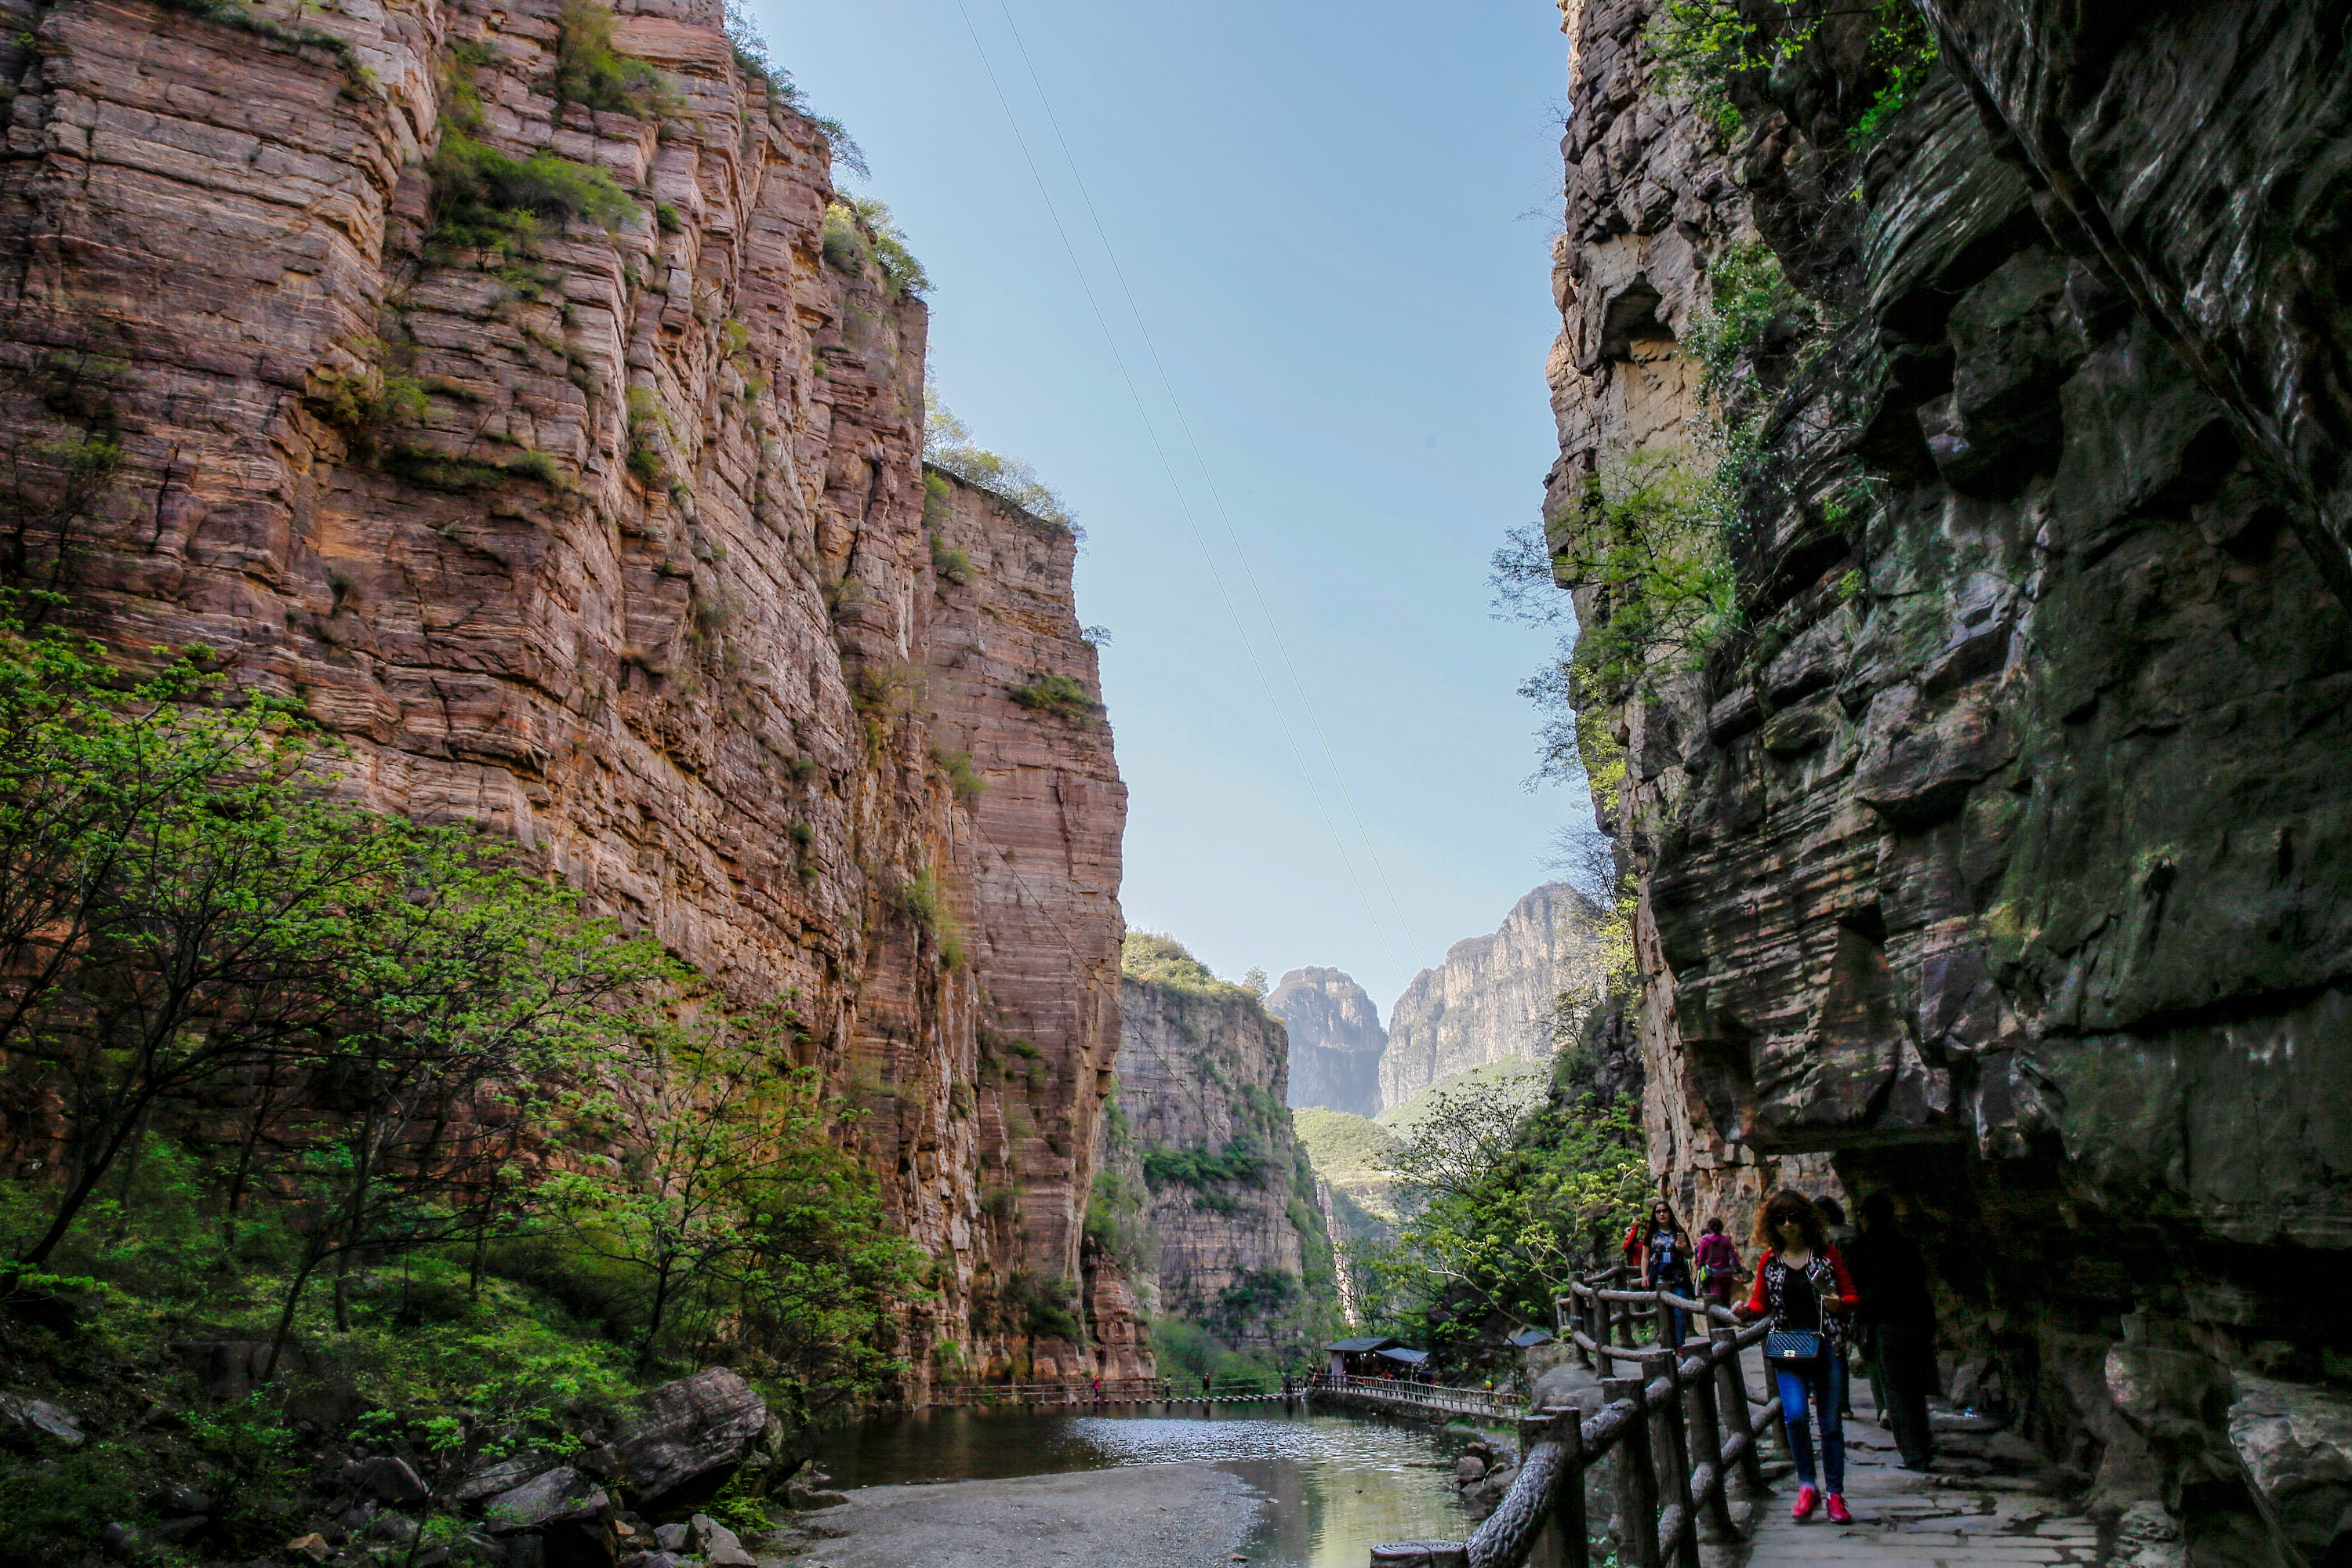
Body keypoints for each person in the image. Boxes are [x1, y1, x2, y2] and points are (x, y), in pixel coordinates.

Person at [1737, 1189, 1858, 1525]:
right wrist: (1746, 1311)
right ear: (1771, 1225)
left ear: (1806, 1219)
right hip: (1789, 1349)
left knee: (1831, 1425)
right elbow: (1761, 1302)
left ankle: (1835, 1494)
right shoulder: (1770, 1261)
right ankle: (1808, 1485)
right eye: (1780, 1219)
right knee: (1794, 1416)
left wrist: (1839, 1303)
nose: (1788, 1224)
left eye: (1793, 1217)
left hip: (1827, 1348)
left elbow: (1850, 1295)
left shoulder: (1827, 1255)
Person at [1844, 1192, 1937, 1471]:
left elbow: (1852, 1287)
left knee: (1895, 1390)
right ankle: (1924, 1444)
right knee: (1915, 1388)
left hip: (1883, 1324)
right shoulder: (1906, 1245)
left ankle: (1913, 1454)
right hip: (1915, 1321)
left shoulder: (1860, 1248)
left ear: (1865, 1217)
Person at [1814, 1196, 1860, 1417]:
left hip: (1832, 1298)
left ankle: (1835, 1400)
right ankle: (1844, 1403)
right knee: (1841, 1350)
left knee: (1831, 1350)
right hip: (1856, 1294)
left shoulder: (1826, 1239)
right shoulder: (1851, 1233)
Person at [1635, 1200, 1697, 1346]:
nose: (1662, 1214)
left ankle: (1679, 1344)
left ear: (1670, 1213)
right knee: (1664, 1313)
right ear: (1654, 1215)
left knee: (1679, 1312)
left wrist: (1684, 1249)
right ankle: (1668, 1345)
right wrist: (1644, 1275)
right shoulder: (1651, 1234)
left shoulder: (1679, 1232)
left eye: (1665, 1211)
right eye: (1659, 1212)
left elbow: (1690, 1254)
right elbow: (1645, 1257)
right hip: (1659, 1278)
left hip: (1678, 1278)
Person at [1696, 1218, 1743, 1314]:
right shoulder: (1726, 1240)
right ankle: (1727, 1321)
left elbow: (1701, 1257)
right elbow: (1733, 1255)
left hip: (1712, 1275)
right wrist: (1737, 1267)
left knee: (1716, 1300)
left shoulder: (1705, 1241)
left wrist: (1699, 1267)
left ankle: (1719, 1323)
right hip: (1726, 1274)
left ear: (1709, 1228)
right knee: (1726, 1300)